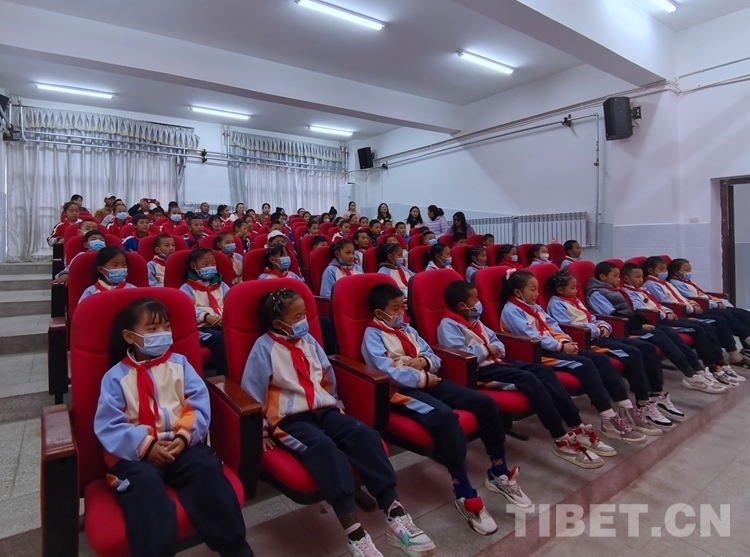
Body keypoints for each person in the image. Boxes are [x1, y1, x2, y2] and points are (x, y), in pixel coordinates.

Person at [242, 288, 435, 557]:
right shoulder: (263, 348)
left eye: (305, 314)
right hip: (290, 419)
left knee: (364, 435)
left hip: (325, 409)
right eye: (297, 317)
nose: (304, 321)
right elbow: (253, 391)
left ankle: (395, 513)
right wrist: (260, 430)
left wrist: (335, 405)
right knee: (324, 449)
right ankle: (355, 534)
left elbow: (327, 376)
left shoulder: (309, 341)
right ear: (278, 323)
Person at [362, 283, 531, 535]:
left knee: (484, 403)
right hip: (400, 392)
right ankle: (463, 491)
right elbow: (386, 370)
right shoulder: (373, 335)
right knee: (444, 416)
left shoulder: (407, 329)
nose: (401, 313)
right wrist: (421, 378)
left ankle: (498, 470)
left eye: (402, 307)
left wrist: (424, 361)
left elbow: (433, 356)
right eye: (395, 309)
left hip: (429, 379)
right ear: (379, 313)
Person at [95, 298, 252, 557]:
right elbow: (108, 423)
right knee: (144, 486)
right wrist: (146, 446)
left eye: (166, 327)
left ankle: (236, 549)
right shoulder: (115, 377)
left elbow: (198, 404)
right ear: (129, 336)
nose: (163, 334)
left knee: (207, 470)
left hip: (181, 444)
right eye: (152, 329)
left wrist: (183, 437)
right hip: (136, 454)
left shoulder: (180, 365)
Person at [438, 281, 611, 467]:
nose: (478, 303)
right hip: (481, 371)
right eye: (475, 299)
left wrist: (494, 349)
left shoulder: (475, 321)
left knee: (545, 372)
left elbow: (497, 341)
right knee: (529, 380)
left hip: (500, 362)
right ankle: (559, 436)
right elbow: (460, 355)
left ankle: (576, 424)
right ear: (462, 305)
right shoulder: (448, 325)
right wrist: (487, 350)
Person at [500, 270, 647, 444]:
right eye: (532, 290)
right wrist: (561, 346)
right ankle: (608, 416)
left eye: (537, 289)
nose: (537, 294)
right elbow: (531, 336)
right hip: (537, 352)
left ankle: (626, 406)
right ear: (518, 292)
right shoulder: (511, 310)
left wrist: (565, 340)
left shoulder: (534, 307)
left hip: (555, 345)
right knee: (584, 365)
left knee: (599, 359)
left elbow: (552, 325)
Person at [546, 270, 676, 430]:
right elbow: (568, 326)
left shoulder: (574, 300)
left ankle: (653, 395)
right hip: (588, 340)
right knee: (631, 353)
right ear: (560, 290)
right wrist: (596, 329)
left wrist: (603, 325)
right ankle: (641, 402)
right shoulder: (556, 304)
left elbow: (591, 317)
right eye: (572, 288)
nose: (576, 291)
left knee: (645, 348)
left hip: (600, 334)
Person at [586, 262, 727, 398]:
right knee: (658, 337)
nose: (619, 279)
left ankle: (696, 370)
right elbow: (614, 316)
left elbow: (633, 311)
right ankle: (688, 374)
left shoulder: (616, 290)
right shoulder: (597, 294)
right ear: (603, 277)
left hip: (633, 324)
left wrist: (645, 322)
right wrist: (640, 326)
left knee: (668, 332)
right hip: (622, 329)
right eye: (615, 276)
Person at [620, 263, 738, 389]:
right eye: (637, 277)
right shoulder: (628, 292)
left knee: (703, 327)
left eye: (641, 276)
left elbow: (657, 304)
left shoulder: (643, 290)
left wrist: (668, 311)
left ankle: (709, 367)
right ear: (626, 278)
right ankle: (697, 370)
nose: (641, 280)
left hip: (665, 317)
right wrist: (664, 314)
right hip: (654, 321)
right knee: (687, 330)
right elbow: (642, 310)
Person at [642, 257, 748, 373]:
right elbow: (665, 302)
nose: (664, 272)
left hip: (689, 308)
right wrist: (691, 307)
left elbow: (683, 298)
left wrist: (694, 304)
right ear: (651, 270)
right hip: (679, 313)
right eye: (661, 269)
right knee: (715, 322)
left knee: (740, 314)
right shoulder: (651, 285)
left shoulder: (665, 283)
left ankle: (725, 358)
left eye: (665, 269)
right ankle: (714, 364)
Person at [668, 258, 750, 356]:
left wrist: (717, 300)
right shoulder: (675, 284)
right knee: (727, 316)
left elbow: (702, 294)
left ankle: (747, 347)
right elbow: (693, 298)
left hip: (710, 304)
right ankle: (746, 337)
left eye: (690, 270)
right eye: (686, 270)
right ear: (675, 271)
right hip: (702, 308)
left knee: (744, 314)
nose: (689, 272)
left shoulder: (687, 281)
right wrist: (715, 303)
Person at [179, 249, 228, 377]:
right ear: (193, 266)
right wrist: (205, 317)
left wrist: (225, 316)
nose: (210, 267)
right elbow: (186, 310)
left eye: (213, 264)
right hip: (201, 328)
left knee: (233, 334)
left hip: (223, 322)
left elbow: (232, 302)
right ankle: (224, 377)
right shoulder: (186, 288)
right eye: (205, 264)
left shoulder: (221, 285)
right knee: (219, 338)